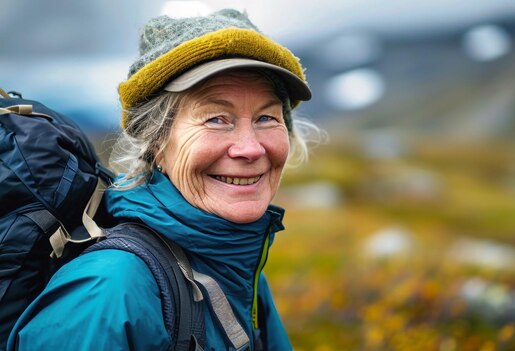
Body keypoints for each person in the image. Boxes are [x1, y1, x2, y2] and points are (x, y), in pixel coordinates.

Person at [7, 9, 320, 350]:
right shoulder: (108, 291)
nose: (250, 148)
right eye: (216, 119)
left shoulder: (239, 265)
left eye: (266, 117)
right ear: (156, 142)